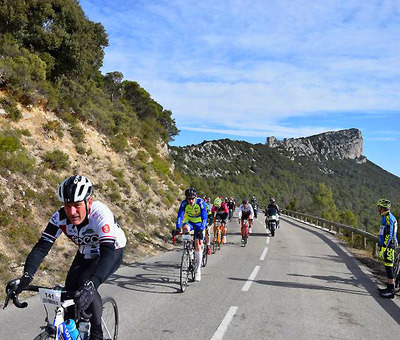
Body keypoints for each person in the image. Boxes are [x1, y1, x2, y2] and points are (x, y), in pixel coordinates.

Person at [12, 175, 126, 340]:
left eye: (77, 205)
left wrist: (92, 284)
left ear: (89, 202)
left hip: (111, 249)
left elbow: (107, 253)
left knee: (86, 284)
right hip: (86, 250)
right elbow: (41, 248)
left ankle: (97, 333)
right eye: (67, 205)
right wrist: (26, 276)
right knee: (68, 292)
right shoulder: (59, 217)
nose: (72, 212)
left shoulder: (100, 214)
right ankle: (72, 332)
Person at [174, 187, 208, 281]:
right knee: (185, 229)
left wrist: (201, 229)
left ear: (196, 197)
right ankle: (187, 248)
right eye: (189, 198)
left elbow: (205, 217)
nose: (191, 200)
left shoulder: (200, 203)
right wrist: (177, 227)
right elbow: (180, 216)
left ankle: (198, 270)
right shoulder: (184, 203)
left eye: (192, 198)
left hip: (199, 224)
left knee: (197, 243)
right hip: (189, 222)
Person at [376, 199, 398, 298]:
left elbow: (388, 235)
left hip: (389, 245)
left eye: (379, 207)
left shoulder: (389, 218)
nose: (378, 209)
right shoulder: (385, 217)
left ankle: (391, 290)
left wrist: (384, 247)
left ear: (384, 208)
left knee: (389, 267)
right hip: (387, 245)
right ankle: (389, 287)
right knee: (387, 266)